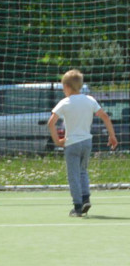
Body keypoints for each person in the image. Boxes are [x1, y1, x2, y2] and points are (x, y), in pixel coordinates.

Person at [48, 69, 118, 217]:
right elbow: (105, 116)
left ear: (67, 87)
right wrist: (112, 136)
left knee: (73, 174)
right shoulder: (90, 100)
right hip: (87, 142)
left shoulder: (65, 103)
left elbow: (51, 123)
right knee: (83, 170)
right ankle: (86, 198)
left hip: (71, 143)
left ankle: (77, 206)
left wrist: (57, 141)